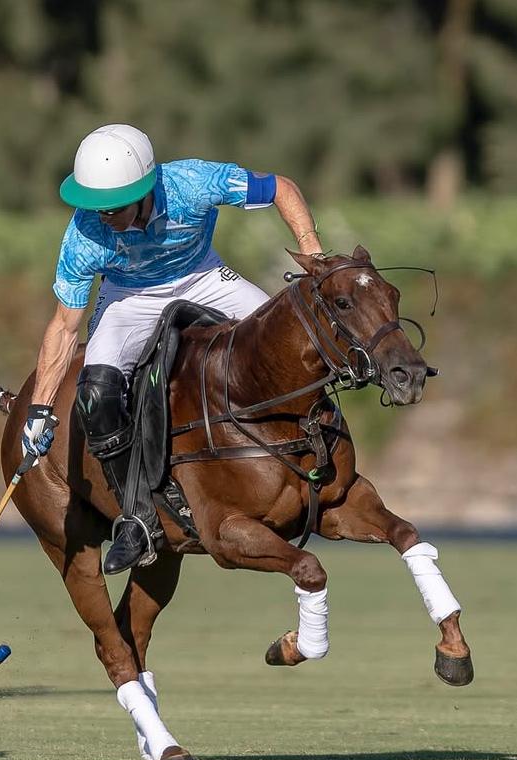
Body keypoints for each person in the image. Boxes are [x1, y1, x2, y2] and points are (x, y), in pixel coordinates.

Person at [21, 123, 324, 575]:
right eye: (96, 207)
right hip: (127, 296)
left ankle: (319, 450)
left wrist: (313, 253)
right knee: (95, 393)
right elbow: (65, 327)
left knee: (285, 341)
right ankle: (137, 517)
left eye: (115, 207)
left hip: (203, 276)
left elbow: (281, 188)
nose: (105, 217)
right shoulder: (84, 236)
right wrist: (41, 408)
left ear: (145, 187)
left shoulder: (192, 183)